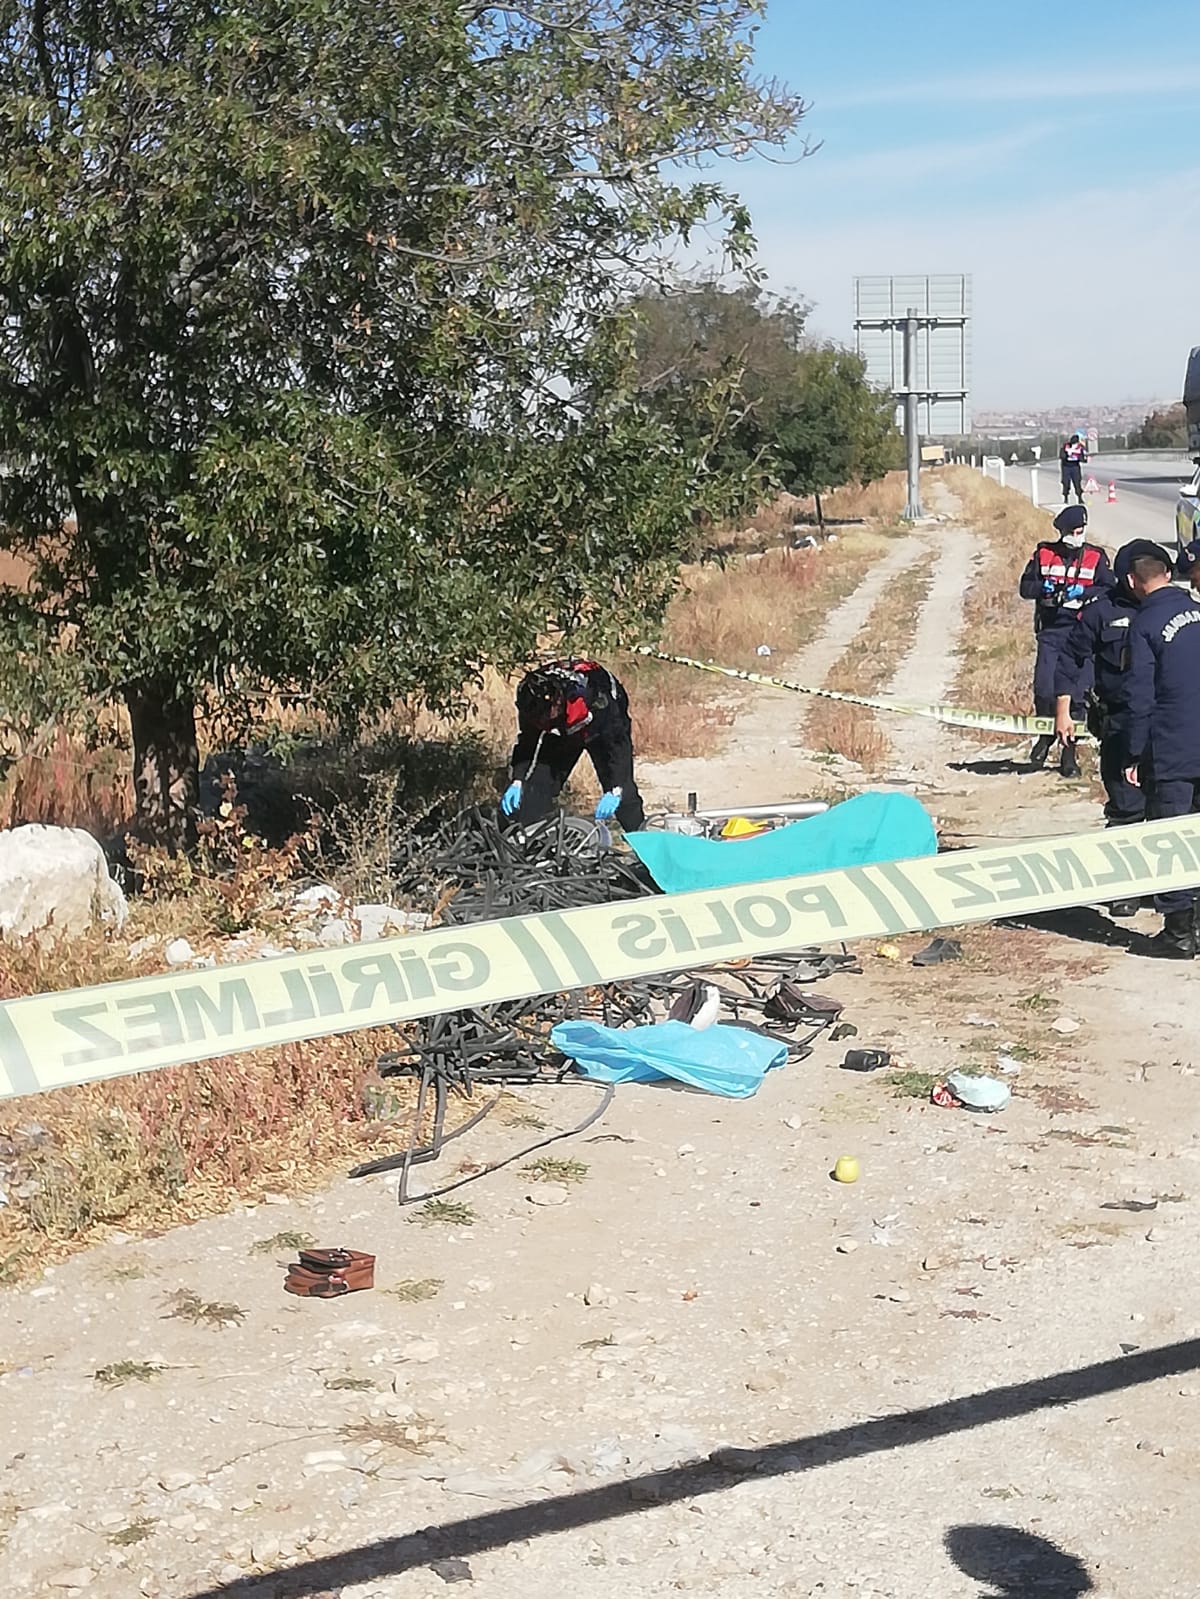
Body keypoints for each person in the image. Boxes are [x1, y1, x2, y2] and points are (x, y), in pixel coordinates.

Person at [1053, 539, 1172, 916]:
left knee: (1169, 807)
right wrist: (1062, 709)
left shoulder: (1172, 610)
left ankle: (1168, 887)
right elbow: (1071, 658)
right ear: (1128, 579)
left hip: (1167, 724)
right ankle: (1127, 887)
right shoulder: (1100, 612)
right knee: (1126, 807)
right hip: (1120, 722)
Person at [1123, 548, 1200, 957]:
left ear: (1134, 582)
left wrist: (1135, 754)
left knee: (1173, 836)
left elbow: (1139, 698)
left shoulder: (1145, 624)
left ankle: (1179, 933)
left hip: (1172, 748)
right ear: (1169, 574)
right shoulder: (1197, 612)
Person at [1019, 504, 1113, 774]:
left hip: (1082, 632)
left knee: (1077, 694)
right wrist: (1043, 588)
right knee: (1045, 689)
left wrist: (1082, 594)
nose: (1076, 535)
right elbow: (1025, 588)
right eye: (1071, 531)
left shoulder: (1096, 556)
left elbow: (1109, 588)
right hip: (1051, 632)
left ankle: (1069, 755)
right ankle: (1045, 736)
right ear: (1061, 531)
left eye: (1080, 531)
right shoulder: (1044, 553)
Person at [501, 658, 646, 831]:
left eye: (545, 717)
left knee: (624, 794)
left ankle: (641, 840)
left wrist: (616, 788)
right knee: (537, 787)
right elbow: (527, 741)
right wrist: (517, 780)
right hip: (564, 732)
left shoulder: (593, 698)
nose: (541, 722)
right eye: (538, 720)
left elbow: (617, 745)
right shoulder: (530, 701)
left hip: (602, 728)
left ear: (557, 702)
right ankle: (528, 838)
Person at [1059, 432, 1088, 504]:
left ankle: (1080, 498)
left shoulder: (1079, 448)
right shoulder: (1065, 447)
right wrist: (1067, 455)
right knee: (1066, 483)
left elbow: (1082, 458)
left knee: (1077, 483)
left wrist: (1084, 458)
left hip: (1075, 467)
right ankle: (1066, 498)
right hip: (1066, 467)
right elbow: (1061, 456)